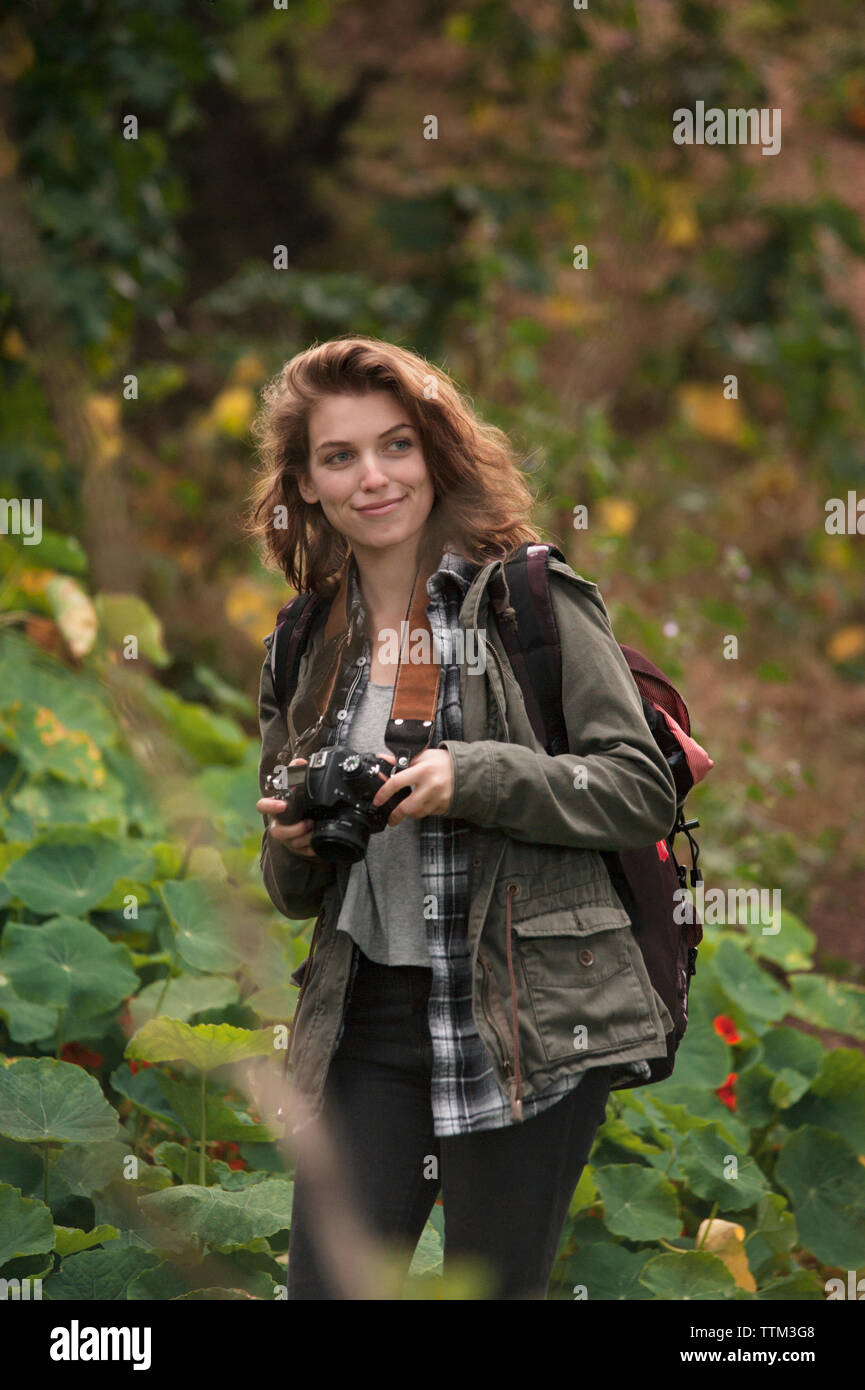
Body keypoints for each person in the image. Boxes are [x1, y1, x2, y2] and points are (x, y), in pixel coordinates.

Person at [247, 335, 677, 1300]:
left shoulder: (529, 599)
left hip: (526, 1009)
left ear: (435, 453)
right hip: (369, 1017)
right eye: (338, 457)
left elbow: (636, 788)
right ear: (306, 484)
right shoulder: (304, 638)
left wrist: (472, 777)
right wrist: (296, 843)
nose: (373, 478)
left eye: (396, 445)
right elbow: (286, 885)